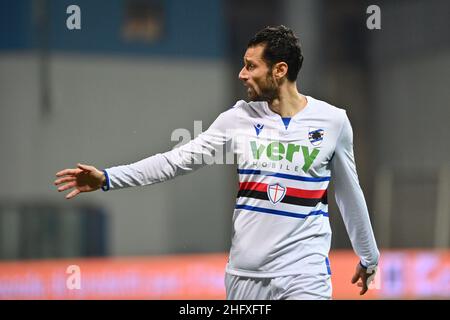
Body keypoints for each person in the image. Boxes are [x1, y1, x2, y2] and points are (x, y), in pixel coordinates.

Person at [55, 25, 379, 300]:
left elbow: (349, 194)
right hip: (245, 277)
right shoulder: (236, 119)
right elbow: (175, 161)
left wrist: (368, 255)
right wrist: (109, 177)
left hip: (305, 272)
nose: (242, 74)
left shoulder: (333, 122)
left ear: (279, 70)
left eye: (251, 66)